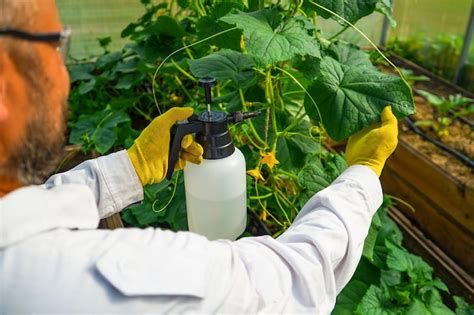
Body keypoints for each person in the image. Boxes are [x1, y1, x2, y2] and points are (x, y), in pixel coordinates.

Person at [0, 0, 398, 313]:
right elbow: (289, 283)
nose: (65, 72)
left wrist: (131, 167)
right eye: (55, 45)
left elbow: (32, 213)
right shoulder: (95, 280)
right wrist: (363, 173)